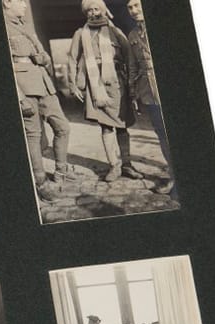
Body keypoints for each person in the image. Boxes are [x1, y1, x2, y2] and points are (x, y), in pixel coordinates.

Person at [68, 0, 151, 184]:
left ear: (103, 11)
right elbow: (72, 59)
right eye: (89, 10)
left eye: (96, 8)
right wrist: (72, 84)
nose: (93, 12)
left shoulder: (115, 31)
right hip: (95, 86)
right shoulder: (80, 33)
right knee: (106, 127)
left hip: (117, 84)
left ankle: (127, 165)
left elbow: (130, 58)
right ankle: (114, 165)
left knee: (122, 125)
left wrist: (132, 85)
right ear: (86, 13)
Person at [2, 0, 74, 199]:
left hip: (44, 85)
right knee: (33, 136)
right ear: (7, 2)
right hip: (26, 89)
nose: (25, 5)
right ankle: (41, 182)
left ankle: (61, 171)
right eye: (20, 1)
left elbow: (43, 56)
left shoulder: (25, 26)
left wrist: (43, 58)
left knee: (63, 127)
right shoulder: (2, 28)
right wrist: (19, 97)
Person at [126, 0, 175, 194]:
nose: (133, 10)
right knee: (162, 134)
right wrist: (133, 91)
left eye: (137, 5)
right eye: (130, 7)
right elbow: (133, 66)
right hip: (148, 91)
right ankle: (174, 176)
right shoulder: (132, 35)